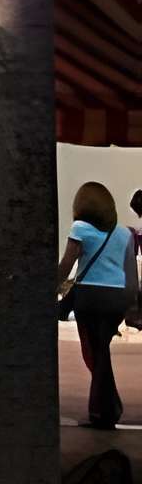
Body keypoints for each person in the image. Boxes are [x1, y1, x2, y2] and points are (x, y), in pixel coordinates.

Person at [64, 180, 135, 430]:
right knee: (101, 351)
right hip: (117, 299)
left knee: (95, 353)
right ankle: (109, 407)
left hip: (90, 298)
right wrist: (131, 305)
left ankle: (104, 412)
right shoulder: (124, 234)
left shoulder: (80, 228)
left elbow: (66, 264)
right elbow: (131, 274)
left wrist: (50, 287)